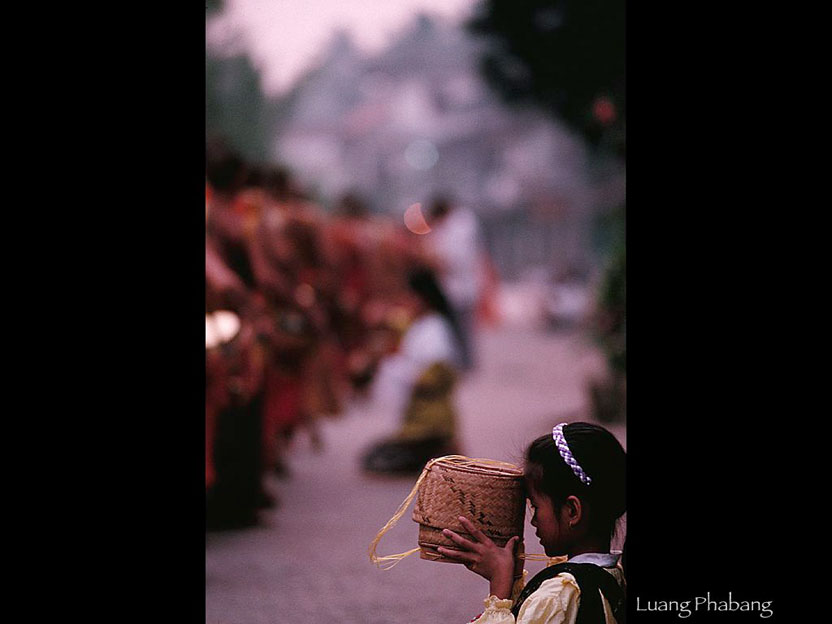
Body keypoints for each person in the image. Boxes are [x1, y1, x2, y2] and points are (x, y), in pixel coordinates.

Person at [438, 422, 626, 623]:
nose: (534, 520)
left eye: (535, 506)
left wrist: (499, 591)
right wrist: (514, 580)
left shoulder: (556, 597)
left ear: (572, 511)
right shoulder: (612, 576)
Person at [362, 267, 463, 474]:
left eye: (410, 296)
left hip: (431, 426)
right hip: (413, 423)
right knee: (373, 457)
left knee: (379, 461)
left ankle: (442, 450)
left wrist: (404, 374)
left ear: (422, 298)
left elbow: (434, 376)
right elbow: (393, 322)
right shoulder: (417, 324)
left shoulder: (436, 329)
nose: (406, 301)